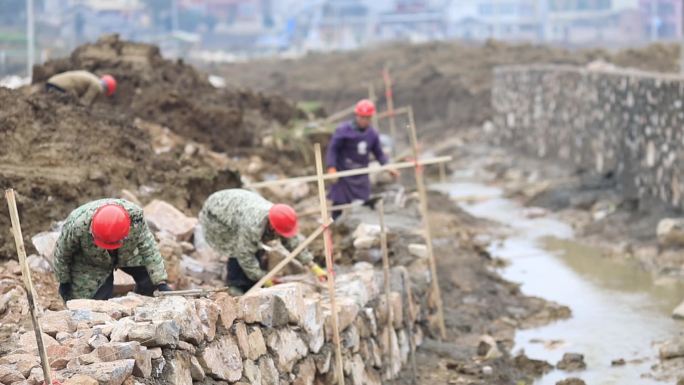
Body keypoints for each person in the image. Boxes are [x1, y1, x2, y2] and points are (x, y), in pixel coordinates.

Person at [199, 189, 326, 295]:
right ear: (272, 226)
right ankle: (235, 284)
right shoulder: (252, 225)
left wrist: (312, 266)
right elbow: (244, 255)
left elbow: (293, 242)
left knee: (254, 247)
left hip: (238, 207)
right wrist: (264, 279)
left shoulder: (278, 218)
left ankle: (252, 282)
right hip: (215, 214)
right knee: (237, 248)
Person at [53, 199, 171, 301]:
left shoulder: (136, 219)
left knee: (150, 281)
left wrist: (160, 282)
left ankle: (139, 303)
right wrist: (64, 280)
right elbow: (62, 253)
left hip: (128, 253)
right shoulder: (77, 225)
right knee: (91, 306)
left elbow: (149, 249)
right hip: (91, 261)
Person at [326, 99, 398, 219]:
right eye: (362, 117)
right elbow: (333, 149)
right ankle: (335, 227)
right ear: (357, 115)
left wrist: (388, 166)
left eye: (367, 118)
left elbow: (379, 154)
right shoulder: (343, 130)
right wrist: (331, 167)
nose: (364, 120)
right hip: (344, 174)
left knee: (363, 205)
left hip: (361, 174)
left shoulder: (372, 134)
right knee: (339, 204)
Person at [46, 70, 117, 106]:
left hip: (53, 82)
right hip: (60, 87)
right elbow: (84, 103)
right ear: (107, 89)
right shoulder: (97, 86)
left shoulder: (93, 79)